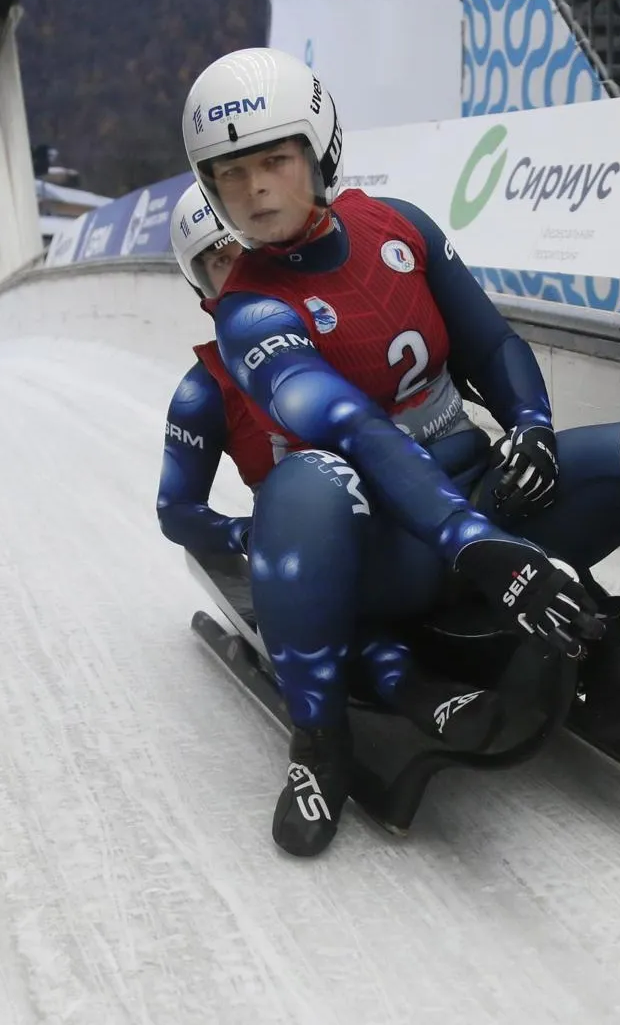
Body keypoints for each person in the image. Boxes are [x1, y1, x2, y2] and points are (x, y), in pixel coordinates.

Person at [180, 47, 620, 876]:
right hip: (379, 554)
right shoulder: (246, 309)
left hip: (480, 502)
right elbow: (357, 431)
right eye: (228, 174)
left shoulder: (399, 229)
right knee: (306, 481)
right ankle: (319, 744)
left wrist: (533, 427)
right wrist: (483, 548)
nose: (252, 191)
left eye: (272, 162)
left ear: (317, 151)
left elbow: (494, 342)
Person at [154, 183, 507, 756]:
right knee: (327, 590)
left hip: (412, 512)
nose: (238, 269)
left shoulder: (339, 322)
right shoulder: (203, 392)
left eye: (240, 250)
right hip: (324, 542)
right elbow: (175, 511)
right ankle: (413, 692)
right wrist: (242, 533)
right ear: (199, 282)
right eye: (219, 262)